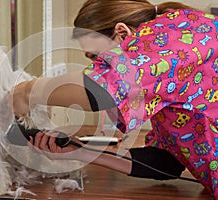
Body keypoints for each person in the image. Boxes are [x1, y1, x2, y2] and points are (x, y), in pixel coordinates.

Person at [12, 0, 218, 198]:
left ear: (122, 34)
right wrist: (81, 151)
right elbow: (166, 163)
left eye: (96, 59)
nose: (95, 69)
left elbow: (103, 88)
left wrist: (28, 91)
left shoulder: (172, 41)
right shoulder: (174, 42)